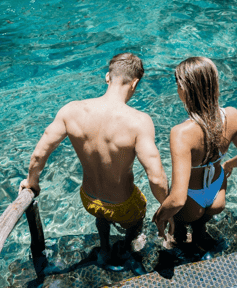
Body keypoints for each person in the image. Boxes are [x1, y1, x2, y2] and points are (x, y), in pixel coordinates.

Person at [19, 53, 170, 272]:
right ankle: (127, 248)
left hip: (88, 199)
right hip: (123, 205)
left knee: (101, 214)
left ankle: (105, 249)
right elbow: (156, 178)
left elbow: (39, 156)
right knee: (138, 216)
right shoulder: (139, 121)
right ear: (135, 83)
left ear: (107, 77)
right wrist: (167, 211)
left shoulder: (71, 110)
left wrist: (32, 182)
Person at [152, 57, 237, 257]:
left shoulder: (181, 133)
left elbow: (178, 199)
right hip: (217, 193)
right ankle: (200, 233)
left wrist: (160, 218)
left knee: (179, 228)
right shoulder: (232, 115)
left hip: (191, 198)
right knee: (201, 221)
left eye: (177, 84)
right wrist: (227, 165)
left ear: (184, 89)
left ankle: (181, 237)